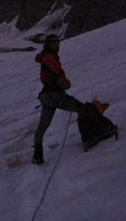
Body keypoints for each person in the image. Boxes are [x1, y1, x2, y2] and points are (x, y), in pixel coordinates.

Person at [32, 34, 115, 164]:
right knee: (81, 109)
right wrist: (63, 80)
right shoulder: (49, 57)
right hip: (55, 95)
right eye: (53, 43)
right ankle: (88, 138)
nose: (56, 45)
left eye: (57, 42)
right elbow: (56, 70)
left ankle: (37, 156)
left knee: (42, 127)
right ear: (48, 44)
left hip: (46, 97)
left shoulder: (45, 56)